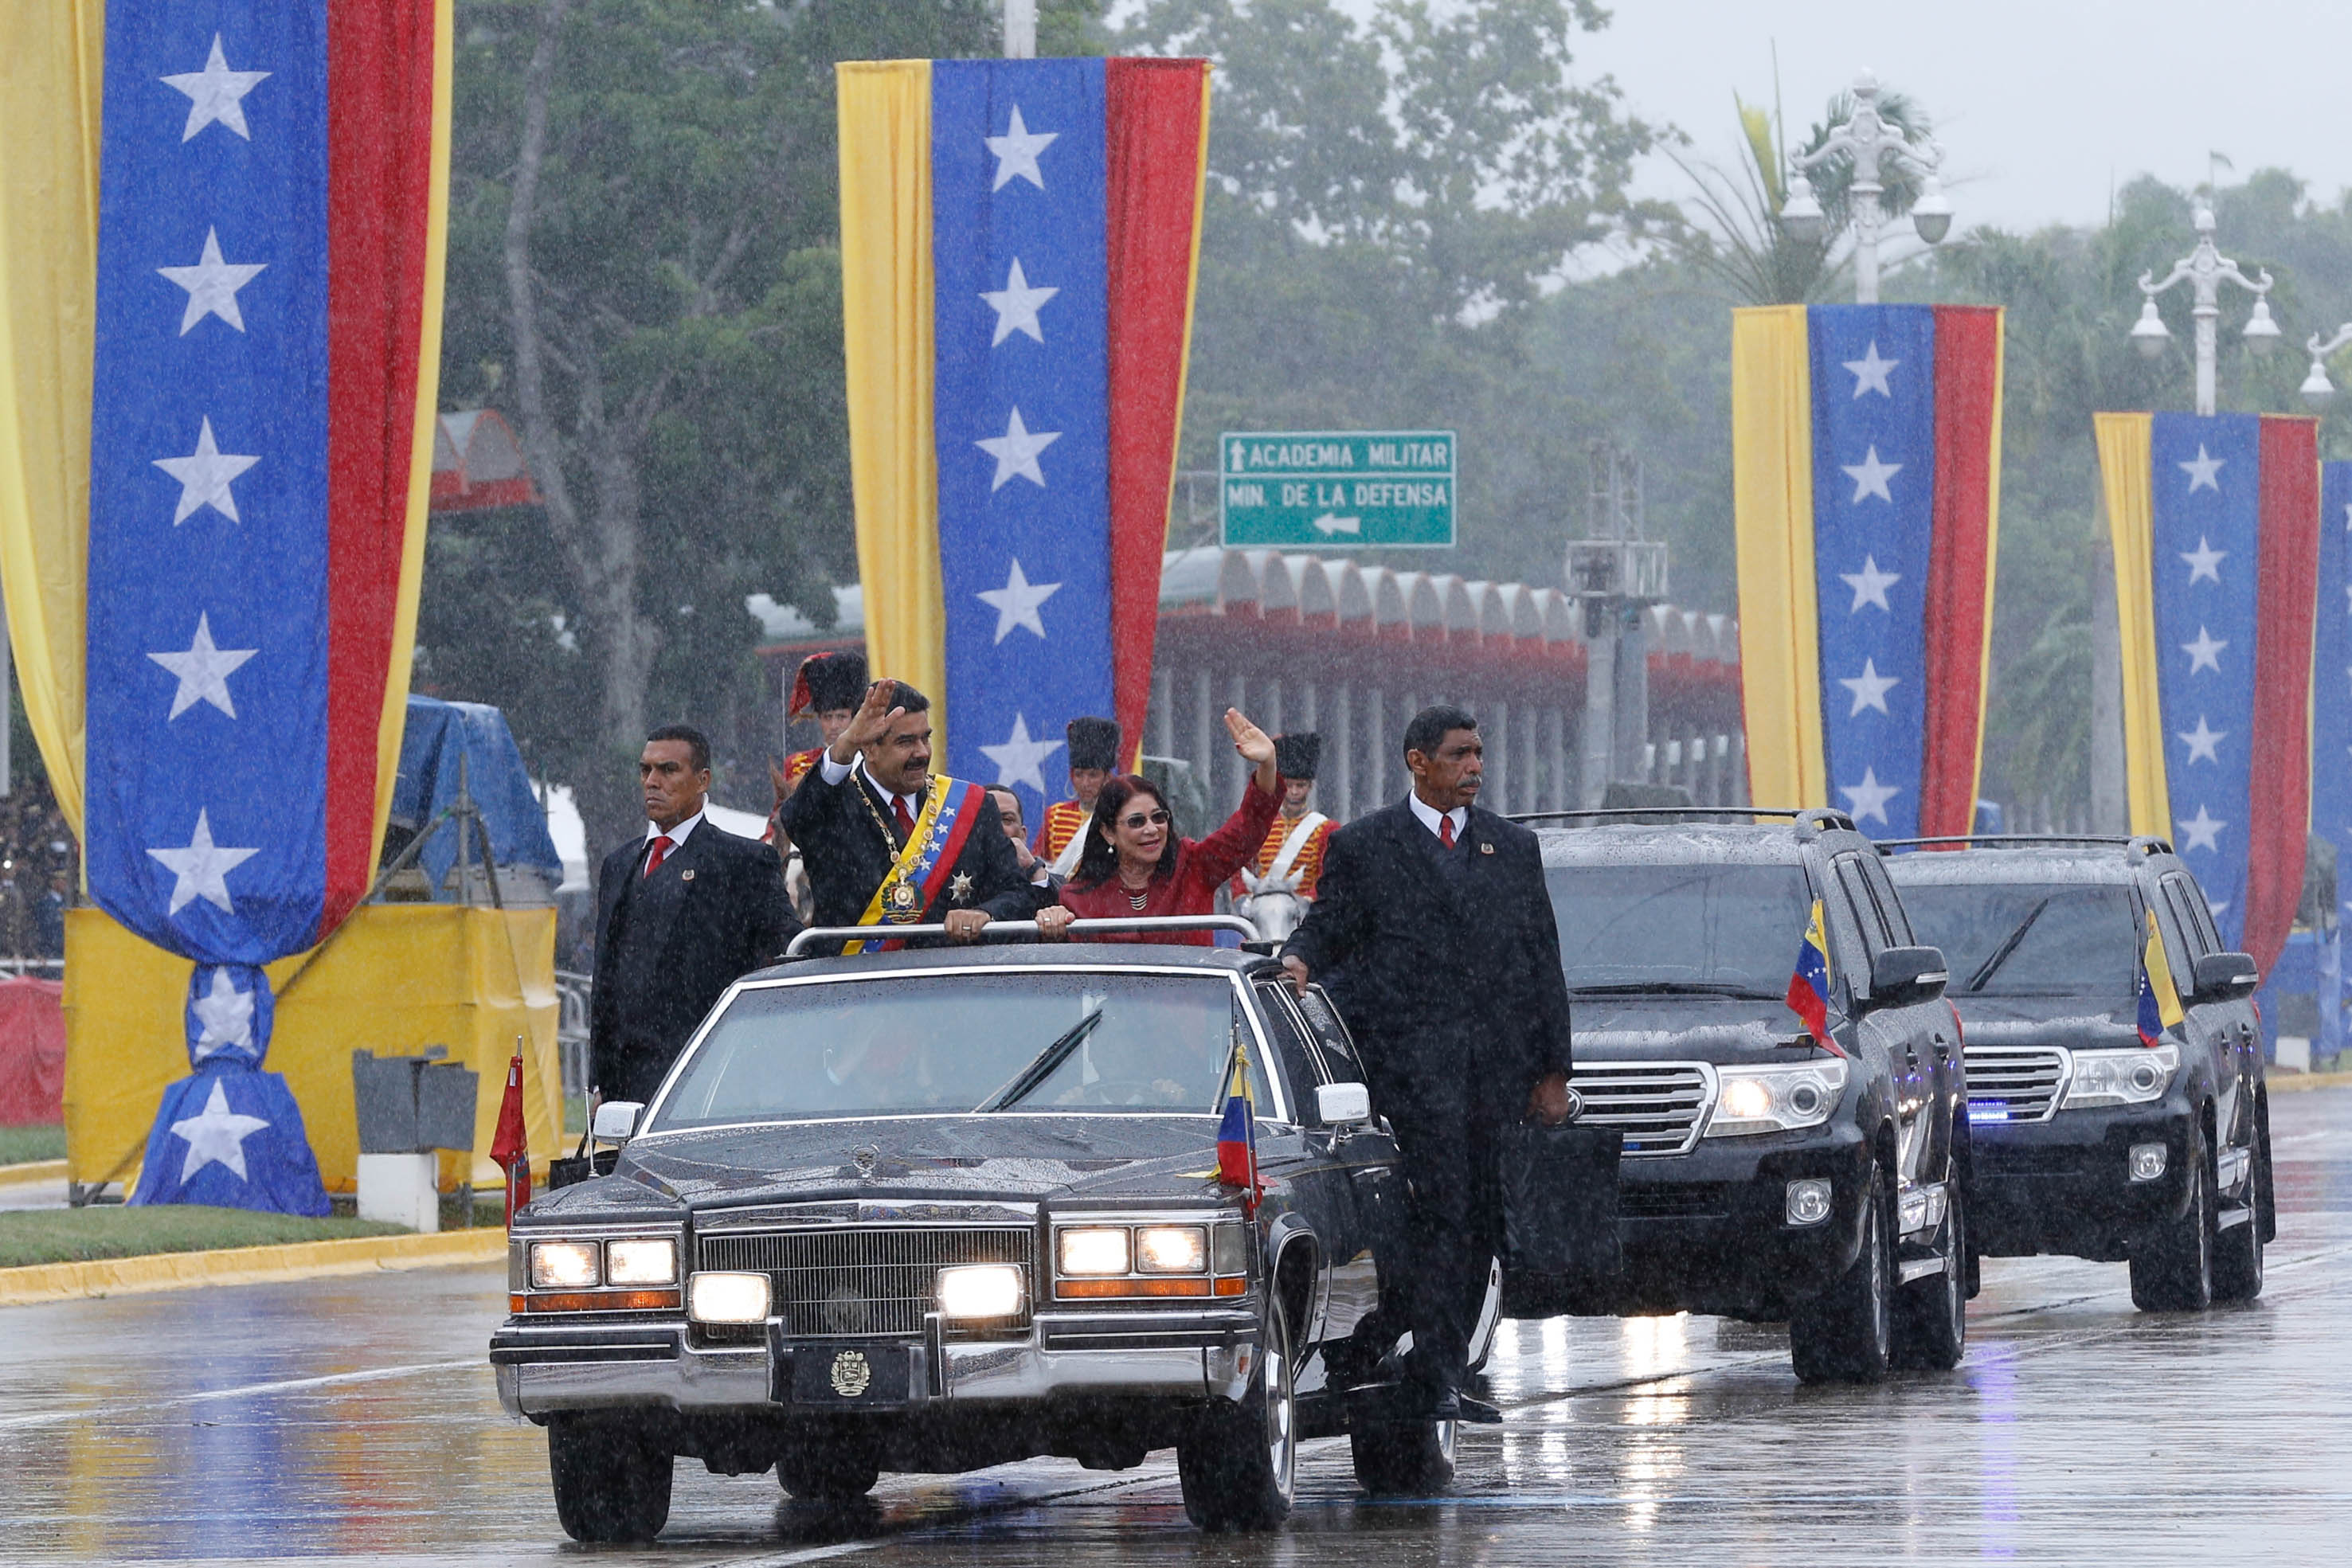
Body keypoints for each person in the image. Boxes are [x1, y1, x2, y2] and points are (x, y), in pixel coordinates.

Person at [1278, 705, 1575, 1426]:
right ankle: (1430, 1363)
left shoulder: (1512, 847)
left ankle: (1444, 1363)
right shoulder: (1365, 845)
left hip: (1491, 1075)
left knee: (1478, 1221)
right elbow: (1333, 924)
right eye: (1459, 754)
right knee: (1433, 1214)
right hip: (1405, 1072)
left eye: (1479, 753)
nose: (1474, 767)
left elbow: (1541, 964)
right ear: (1417, 761)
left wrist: (1552, 1072)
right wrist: (1300, 958)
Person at [589, 724, 800, 1106]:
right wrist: (598, 1080)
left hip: (708, 1078)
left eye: (668, 770)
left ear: (703, 780)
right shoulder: (619, 864)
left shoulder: (743, 862)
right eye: (645, 770)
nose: (652, 782)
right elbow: (606, 978)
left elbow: (789, 955)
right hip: (627, 1083)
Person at [777, 679, 1031, 941]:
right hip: (858, 977)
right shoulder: (833, 808)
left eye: (926, 738)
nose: (922, 753)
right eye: (906, 742)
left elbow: (1018, 894)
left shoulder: (972, 806)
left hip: (953, 976)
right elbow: (796, 818)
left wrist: (985, 913)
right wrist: (845, 747)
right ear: (870, 748)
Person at [1038, 710, 1282, 945]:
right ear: (1108, 833)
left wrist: (1268, 765)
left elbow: (1248, 829)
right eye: (1136, 822)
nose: (1152, 829)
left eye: (1158, 817)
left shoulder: (1193, 868)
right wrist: (1053, 927)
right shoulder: (1078, 899)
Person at [767, 650, 867, 840]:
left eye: (841, 717)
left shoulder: (872, 762)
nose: (834, 726)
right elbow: (778, 823)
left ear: (854, 717)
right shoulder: (798, 765)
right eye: (827, 718)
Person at [1232, 731, 1334, 901]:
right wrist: (1244, 898)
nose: (1294, 792)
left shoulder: (1326, 829)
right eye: (1289, 785)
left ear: (1310, 786)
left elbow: (1327, 877)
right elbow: (1242, 867)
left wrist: (1308, 901)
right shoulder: (1260, 824)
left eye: (1300, 785)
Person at [1035, 717, 1120, 878]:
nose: (1085, 783)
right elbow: (1038, 863)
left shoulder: (1117, 816)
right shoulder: (1054, 815)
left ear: (1107, 777)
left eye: (1093, 775)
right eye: (1079, 775)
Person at [987, 785, 1064, 916]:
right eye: (989, 819)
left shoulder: (1055, 884)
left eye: (1007, 820)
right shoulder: (954, 883)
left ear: (1023, 835)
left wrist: (1034, 869)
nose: (998, 828)